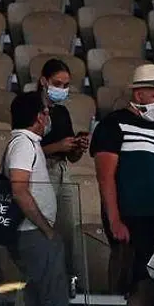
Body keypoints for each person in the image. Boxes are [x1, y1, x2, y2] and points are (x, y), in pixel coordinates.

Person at [91, 65, 154, 306]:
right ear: (138, 94)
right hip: (133, 219)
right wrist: (115, 220)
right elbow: (105, 177)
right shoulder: (113, 124)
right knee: (138, 284)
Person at [5, 92, 69, 306]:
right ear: (38, 117)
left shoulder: (28, 143)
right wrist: (46, 229)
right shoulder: (23, 144)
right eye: (45, 112)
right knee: (55, 301)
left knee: (35, 301)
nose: (48, 116)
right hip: (32, 232)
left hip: (33, 232)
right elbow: (19, 190)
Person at [37, 59, 91, 263]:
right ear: (44, 81)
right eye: (57, 84)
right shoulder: (28, 106)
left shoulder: (61, 112)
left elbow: (72, 157)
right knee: (43, 226)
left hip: (62, 170)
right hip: (39, 172)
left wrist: (77, 147)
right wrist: (58, 146)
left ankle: (65, 273)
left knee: (68, 226)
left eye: (66, 85)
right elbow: (24, 148)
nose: (62, 89)